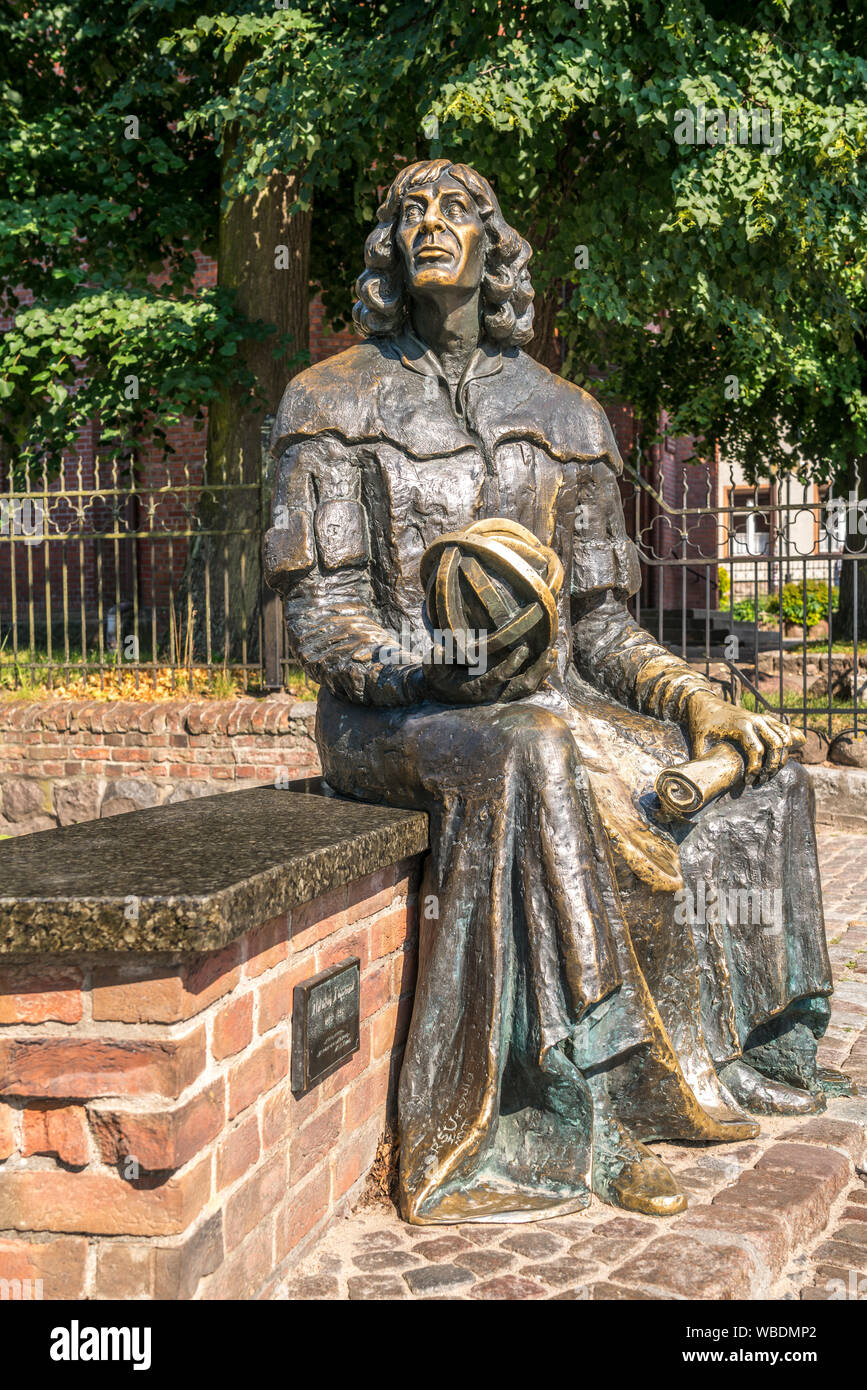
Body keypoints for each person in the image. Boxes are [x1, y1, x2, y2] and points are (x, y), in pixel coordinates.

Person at [265, 159, 833, 1225]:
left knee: (760, 768)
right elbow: (324, 619)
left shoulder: (564, 412)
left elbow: (603, 629)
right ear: (387, 248)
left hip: (547, 702)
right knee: (533, 747)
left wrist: (692, 698)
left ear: (496, 247)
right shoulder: (328, 400)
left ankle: (749, 1051)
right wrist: (429, 664)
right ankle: (586, 1099)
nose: (432, 225)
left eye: (459, 211)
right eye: (409, 213)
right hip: (392, 715)